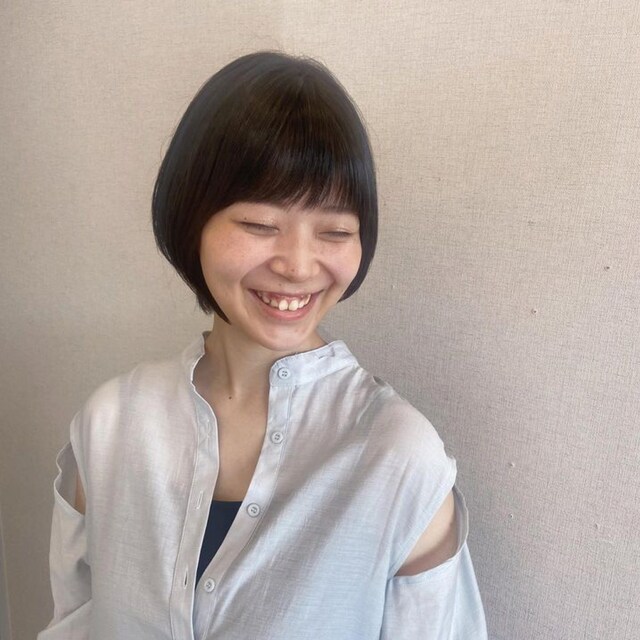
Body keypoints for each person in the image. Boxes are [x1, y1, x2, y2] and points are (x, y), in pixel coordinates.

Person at [38, 51, 487, 639]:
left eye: (335, 231)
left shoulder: (399, 459)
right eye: (259, 225)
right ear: (192, 220)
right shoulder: (110, 426)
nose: (298, 265)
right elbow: (73, 624)